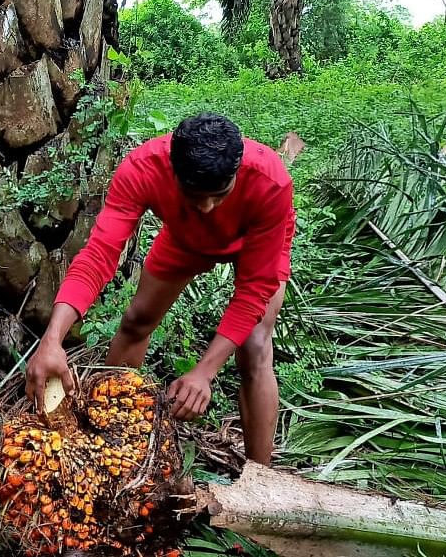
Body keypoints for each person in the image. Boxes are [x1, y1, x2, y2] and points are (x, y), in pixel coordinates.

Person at [25, 113, 295, 466]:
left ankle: (261, 479)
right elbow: (98, 256)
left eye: (219, 195)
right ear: (172, 170)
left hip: (255, 243)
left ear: (237, 172)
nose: (207, 207)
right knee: (137, 320)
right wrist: (52, 339)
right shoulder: (142, 169)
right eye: (194, 195)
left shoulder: (269, 182)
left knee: (255, 345)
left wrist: (203, 373)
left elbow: (254, 289)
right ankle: (113, 444)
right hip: (185, 238)